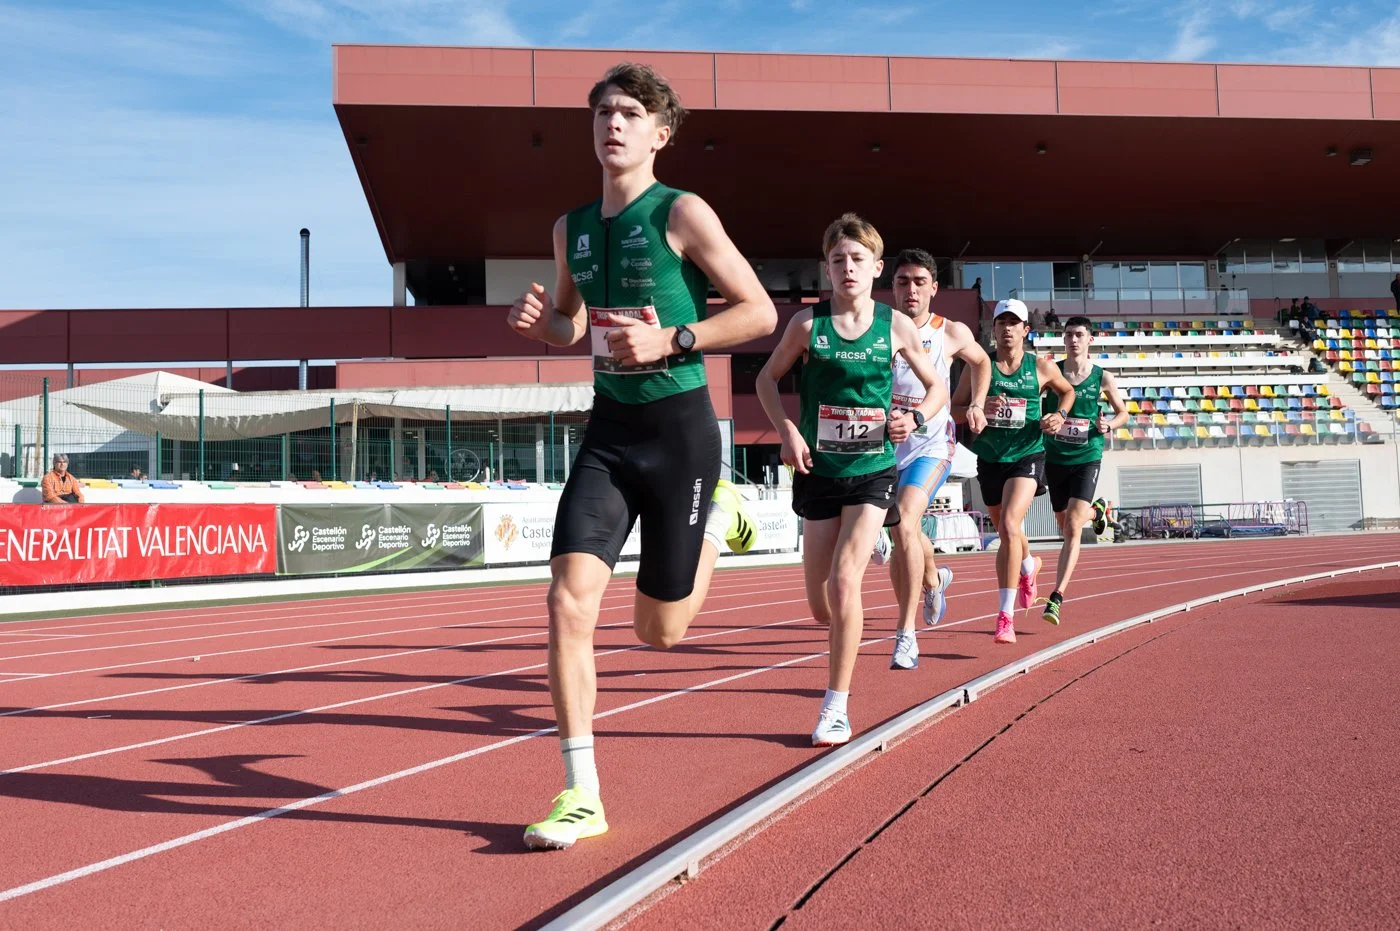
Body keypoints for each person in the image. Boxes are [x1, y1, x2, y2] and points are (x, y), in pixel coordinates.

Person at [507, 62, 777, 850]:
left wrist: (674, 337)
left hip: (680, 433)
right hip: (610, 434)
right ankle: (581, 791)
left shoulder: (684, 212)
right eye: (601, 113)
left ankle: (720, 517)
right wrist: (541, 325)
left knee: (660, 634)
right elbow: (568, 323)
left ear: (659, 134)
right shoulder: (570, 229)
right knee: (566, 598)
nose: (612, 124)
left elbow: (758, 310)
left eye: (629, 113)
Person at [755, 214, 948, 744]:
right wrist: (788, 430)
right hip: (819, 471)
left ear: (875, 268)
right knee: (822, 607)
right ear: (826, 268)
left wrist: (917, 419)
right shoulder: (805, 326)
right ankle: (856, 589)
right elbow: (766, 380)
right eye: (838, 260)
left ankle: (834, 707)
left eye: (857, 260)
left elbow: (936, 388)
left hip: (872, 470)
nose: (847, 268)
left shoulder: (896, 326)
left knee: (845, 582)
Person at [869, 248, 990, 670]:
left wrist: (975, 402)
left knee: (904, 519)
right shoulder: (877, 328)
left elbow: (982, 361)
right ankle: (935, 579)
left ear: (934, 288)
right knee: (906, 531)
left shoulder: (950, 331)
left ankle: (905, 635)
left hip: (931, 446)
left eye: (920, 282)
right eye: (903, 282)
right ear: (892, 288)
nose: (911, 290)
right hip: (884, 448)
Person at [951, 298, 1076, 645]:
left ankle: (1004, 616)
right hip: (990, 458)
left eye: (1013, 322)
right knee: (1010, 529)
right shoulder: (979, 367)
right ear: (992, 329)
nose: (1006, 329)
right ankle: (1027, 566)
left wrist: (1060, 416)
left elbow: (1068, 392)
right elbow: (953, 409)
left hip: (1027, 455)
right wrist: (978, 406)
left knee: (1007, 525)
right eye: (1000, 322)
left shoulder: (1041, 367)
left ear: (1026, 330)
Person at [1040, 316, 1129, 624]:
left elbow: (1123, 412)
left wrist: (1110, 424)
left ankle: (1056, 596)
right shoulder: (1052, 372)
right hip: (1055, 457)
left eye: (1079, 335)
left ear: (1090, 340)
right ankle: (1099, 511)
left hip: (1087, 454)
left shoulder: (1102, 377)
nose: (1073, 340)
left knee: (1074, 528)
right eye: (1068, 335)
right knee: (1065, 525)